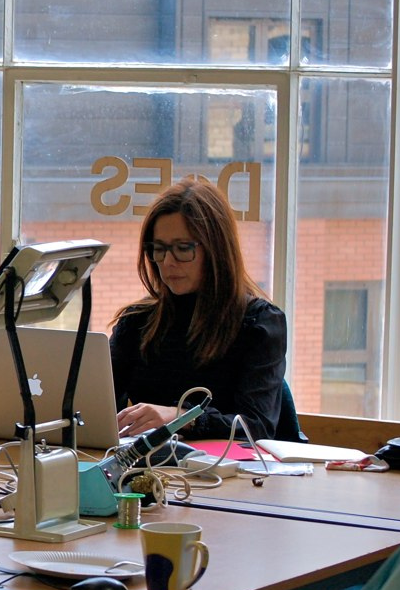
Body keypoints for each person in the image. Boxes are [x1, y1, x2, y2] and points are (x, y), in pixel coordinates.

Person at [110, 177, 287, 441]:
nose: (168, 262)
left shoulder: (259, 323)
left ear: (216, 250)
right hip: (148, 473)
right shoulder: (136, 322)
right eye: (159, 249)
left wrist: (179, 418)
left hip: (228, 477)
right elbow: (98, 408)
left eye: (183, 249)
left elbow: (257, 426)